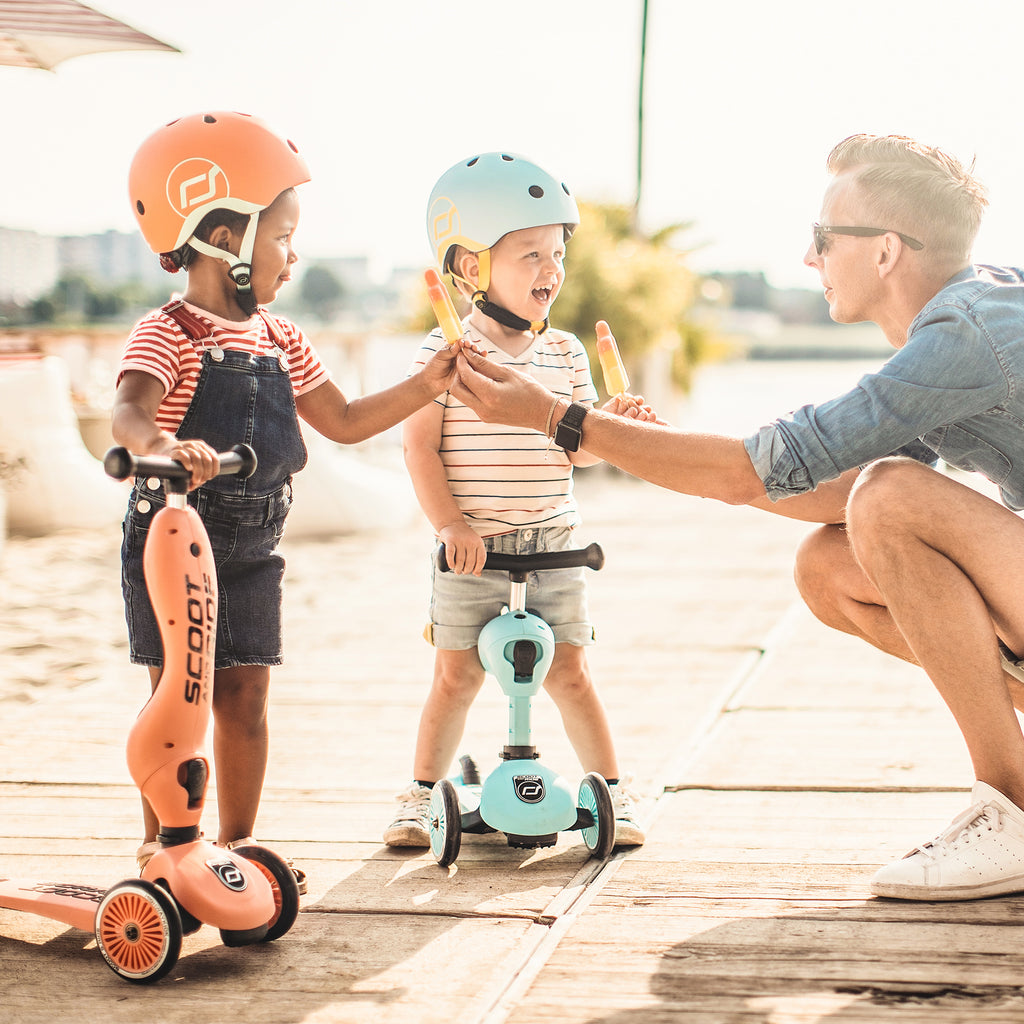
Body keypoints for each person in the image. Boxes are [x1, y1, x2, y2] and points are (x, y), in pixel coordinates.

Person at [451, 132, 1024, 902]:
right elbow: (814, 481)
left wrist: (560, 418)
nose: (807, 258)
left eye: (824, 237)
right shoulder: (965, 320)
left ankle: (1013, 809)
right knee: (830, 566)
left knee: (889, 496)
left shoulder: (967, 334)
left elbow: (788, 472)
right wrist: (654, 449)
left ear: (886, 252)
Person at [112, 111, 469, 890]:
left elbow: (341, 422)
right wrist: (163, 449)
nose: (293, 253)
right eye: (280, 235)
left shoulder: (282, 336)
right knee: (178, 692)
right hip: (173, 537)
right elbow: (130, 410)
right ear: (221, 238)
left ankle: (237, 850)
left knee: (246, 693)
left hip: (250, 547)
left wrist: (425, 384)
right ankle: (162, 845)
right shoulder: (168, 332)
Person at [384, 151, 656, 849]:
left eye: (556, 253)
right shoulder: (445, 355)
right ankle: (418, 795)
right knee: (455, 675)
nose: (550, 269)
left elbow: (580, 450)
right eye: (529, 253)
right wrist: (449, 524)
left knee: (570, 671)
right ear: (471, 270)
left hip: (554, 544)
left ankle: (616, 794)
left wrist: (618, 428)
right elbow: (419, 449)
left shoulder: (564, 353)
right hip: (470, 547)